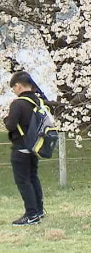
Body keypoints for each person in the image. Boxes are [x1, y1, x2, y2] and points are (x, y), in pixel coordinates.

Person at [3, 71, 48, 226]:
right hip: (35, 146)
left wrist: (5, 118)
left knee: (23, 181)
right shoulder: (38, 101)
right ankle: (39, 210)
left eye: (14, 88)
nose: (14, 91)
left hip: (21, 147)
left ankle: (31, 214)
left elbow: (10, 126)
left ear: (19, 85)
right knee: (33, 178)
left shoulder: (18, 103)